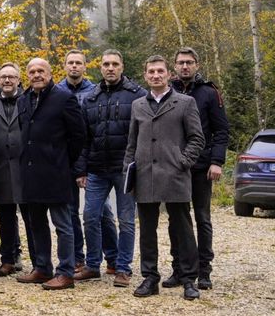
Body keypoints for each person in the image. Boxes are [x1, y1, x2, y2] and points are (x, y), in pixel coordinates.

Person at [124, 55, 205, 300]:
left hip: (175, 175)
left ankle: (189, 278)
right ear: (146, 75)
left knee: (183, 228)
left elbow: (197, 138)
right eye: (151, 72)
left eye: (160, 71)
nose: (156, 75)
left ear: (169, 74)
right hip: (145, 176)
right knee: (147, 230)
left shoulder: (185, 102)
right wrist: (128, 169)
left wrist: (183, 161)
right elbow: (131, 142)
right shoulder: (138, 105)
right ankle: (150, 277)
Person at [74, 49, 147, 287]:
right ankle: (93, 265)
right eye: (106, 64)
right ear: (100, 68)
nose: (110, 68)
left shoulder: (137, 96)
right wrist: (81, 169)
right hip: (96, 168)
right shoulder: (91, 98)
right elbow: (84, 138)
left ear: (122, 66)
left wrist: (139, 166)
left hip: (125, 170)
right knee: (90, 216)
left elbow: (144, 136)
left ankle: (123, 268)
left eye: (115, 64)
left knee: (126, 220)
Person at [16, 58, 85, 291]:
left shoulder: (64, 98)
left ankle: (65, 272)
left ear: (49, 73)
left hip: (57, 172)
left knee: (63, 224)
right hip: (31, 173)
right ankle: (42, 267)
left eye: (40, 71)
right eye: (32, 71)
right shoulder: (23, 100)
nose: (36, 75)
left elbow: (79, 136)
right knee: (36, 224)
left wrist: (65, 161)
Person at [167, 47, 230, 290]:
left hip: (202, 167)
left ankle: (204, 270)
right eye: (181, 62)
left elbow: (221, 130)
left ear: (197, 65)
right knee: (176, 220)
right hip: (174, 166)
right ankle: (179, 268)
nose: (185, 66)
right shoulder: (168, 90)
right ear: (174, 66)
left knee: (202, 218)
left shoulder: (209, 93)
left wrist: (217, 161)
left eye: (189, 62)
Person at [57, 49, 118, 273]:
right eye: (70, 62)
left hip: (92, 159)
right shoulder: (56, 91)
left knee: (102, 211)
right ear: (64, 66)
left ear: (85, 66)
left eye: (78, 63)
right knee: (70, 211)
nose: (74, 66)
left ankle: (112, 257)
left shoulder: (95, 91)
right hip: (65, 160)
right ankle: (77, 258)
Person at [0, 62, 25, 277]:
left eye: (12, 77)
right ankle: (7, 259)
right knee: (5, 216)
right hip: (0, 167)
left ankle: (40, 260)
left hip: (25, 167)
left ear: (19, 80)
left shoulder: (28, 102)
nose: (7, 80)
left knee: (32, 217)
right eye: (3, 77)